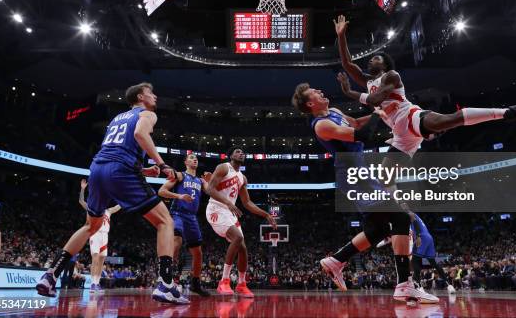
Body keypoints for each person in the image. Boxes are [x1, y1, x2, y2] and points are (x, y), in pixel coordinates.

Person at [36, 82, 189, 304]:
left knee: (91, 225)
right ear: (140, 97)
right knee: (166, 221)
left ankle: (50, 275)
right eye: (150, 93)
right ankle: (166, 284)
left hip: (97, 169)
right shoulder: (147, 114)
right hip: (120, 170)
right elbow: (139, 134)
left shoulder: (117, 118)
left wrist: (142, 169)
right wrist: (163, 165)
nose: (155, 97)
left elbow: (115, 149)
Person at [291, 84, 438, 303]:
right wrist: (379, 114)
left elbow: (358, 122)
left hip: (361, 172)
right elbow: (362, 134)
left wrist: (378, 114)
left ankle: (337, 260)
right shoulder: (321, 125)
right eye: (315, 92)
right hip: (352, 175)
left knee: (377, 230)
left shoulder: (335, 112)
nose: (321, 91)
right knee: (399, 216)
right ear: (310, 103)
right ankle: (404, 284)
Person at [334, 14, 516, 158]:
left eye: (376, 58)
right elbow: (347, 64)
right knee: (386, 182)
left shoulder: (391, 76)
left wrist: (349, 92)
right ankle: (404, 215)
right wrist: (341, 35)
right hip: (399, 133)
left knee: (451, 120)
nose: (371, 60)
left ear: (385, 64)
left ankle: (512, 111)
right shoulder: (368, 81)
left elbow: (375, 100)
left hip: (410, 116)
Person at [205, 147, 277, 297]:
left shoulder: (242, 178)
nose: (241, 153)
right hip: (216, 209)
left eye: (243, 152)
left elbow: (247, 203)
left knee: (243, 248)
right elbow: (210, 189)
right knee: (238, 238)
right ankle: (224, 281)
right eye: (237, 151)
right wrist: (229, 203)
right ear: (231, 155)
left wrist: (266, 215)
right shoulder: (224, 167)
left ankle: (241, 284)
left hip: (229, 212)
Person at [158, 154, 211, 296]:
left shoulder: (201, 181)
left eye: (197, 159)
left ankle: (195, 283)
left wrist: (211, 181)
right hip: (178, 213)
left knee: (198, 253)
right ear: (185, 162)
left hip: (192, 217)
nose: (195, 160)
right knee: (177, 241)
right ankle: (166, 278)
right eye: (192, 158)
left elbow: (212, 192)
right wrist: (179, 196)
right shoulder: (180, 176)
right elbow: (162, 191)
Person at [77, 178, 121, 292]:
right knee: (95, 258)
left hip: (105, 236)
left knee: (101, 260)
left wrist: (125, 194)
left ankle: (96, 283)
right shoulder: (92, 207)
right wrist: (82, 189)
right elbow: (81, 201)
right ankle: (92, 283)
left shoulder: (109, 211)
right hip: (95, 234)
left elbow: (119, 205)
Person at [404, 212, 456, 294]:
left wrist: (417, 236)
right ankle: (449, 286)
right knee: (433, 263)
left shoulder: (409, 213)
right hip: (429, 238)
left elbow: (414, 221)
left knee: (415, 260)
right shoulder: (415, 216)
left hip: (421, 237)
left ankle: (419, 287)